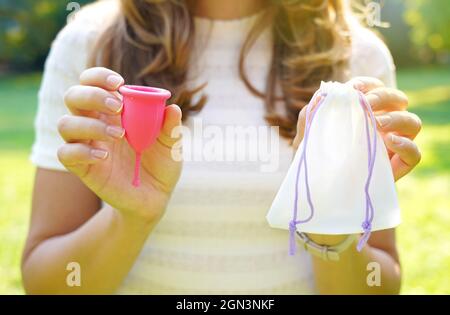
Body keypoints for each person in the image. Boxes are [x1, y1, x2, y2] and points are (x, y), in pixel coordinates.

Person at [22, 0, 422, 294]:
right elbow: (48, 284)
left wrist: (328, 225)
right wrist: (129, 219)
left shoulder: (358, 56)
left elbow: (379, 284)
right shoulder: (89, 43)